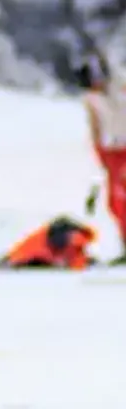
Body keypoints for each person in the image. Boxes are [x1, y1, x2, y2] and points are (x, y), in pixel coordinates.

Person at [80, 54, 126, 260]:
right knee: (116, 202)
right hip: (111, 151)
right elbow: (95, 126)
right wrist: (100, 152)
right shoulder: (91, 98)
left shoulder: (120, 87)